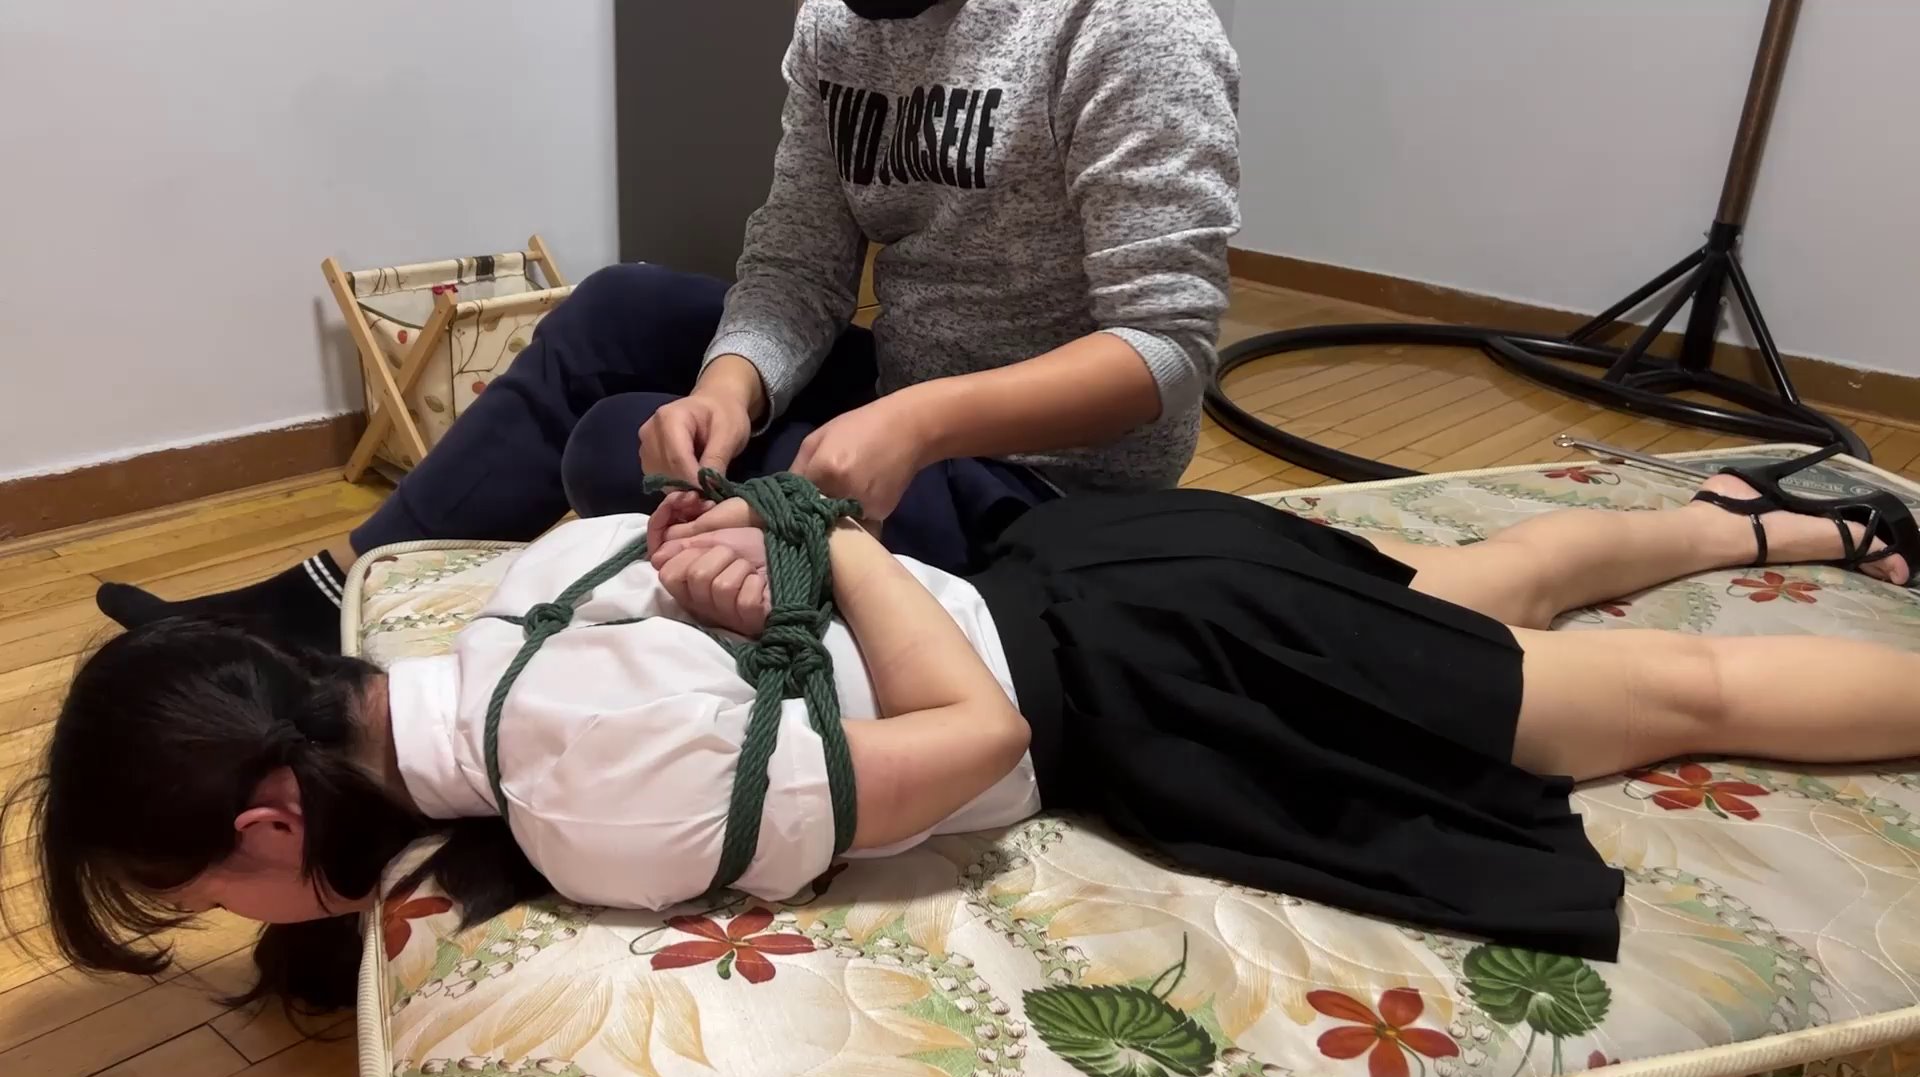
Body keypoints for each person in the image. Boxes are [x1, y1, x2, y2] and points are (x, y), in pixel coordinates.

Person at [15, 447, 1920, 1010]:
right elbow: (769, 540)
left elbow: (978, 728)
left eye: (196, 899)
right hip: (1100, 566)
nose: (225, 928)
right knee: (1463, 590)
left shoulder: (599, 805)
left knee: (1657, 702)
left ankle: (1807, 542)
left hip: (1149, 670)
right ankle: (1787, 525)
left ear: (271, 820)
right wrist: (796, 548)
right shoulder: (525, 587)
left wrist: (827, 547)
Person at [92, 0, 1241, 653]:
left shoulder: (1131, 26)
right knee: (624, 307)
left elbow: (1166, 348)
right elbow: (797, 265)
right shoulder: (837, 28)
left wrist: (919, 423)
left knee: (613, 450)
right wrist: (727, 389)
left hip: (1048, 480)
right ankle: (326, 599)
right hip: (907, 394)